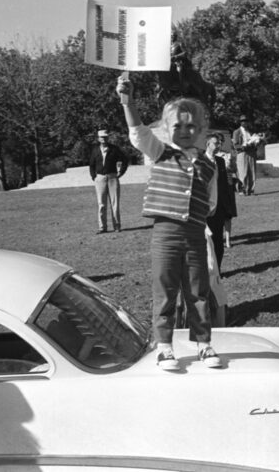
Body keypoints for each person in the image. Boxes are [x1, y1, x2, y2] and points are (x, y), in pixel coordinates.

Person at [116, 74, 221, 371]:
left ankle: (203, 343)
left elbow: (210, 204)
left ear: (201, 129)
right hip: (165, 233)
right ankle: (164, 346)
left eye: (191, 126)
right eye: (177, 126)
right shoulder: (160, 152)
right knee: (165, 289)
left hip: (195, 234)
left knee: (198, 290)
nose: (185, 131)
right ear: (166, 129)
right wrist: (128, 100)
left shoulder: (209, 165)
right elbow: (136, 131)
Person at [204, 133, 236, 270]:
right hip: (204, 209)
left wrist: (227, 205)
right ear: (208, 144)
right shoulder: (200, 161)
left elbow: (224, 184)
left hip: (219, 208)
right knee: (204, 243)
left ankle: (217, 271)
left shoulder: (221, 161)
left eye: (219, 144)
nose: (219, 146)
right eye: (216, 143)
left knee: (218, 242)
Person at [88, 129, 129, 234]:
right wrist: (94, 177)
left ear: (108, 138)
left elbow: (125, 160)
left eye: (105, 137)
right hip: (100, 178)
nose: (104, 139)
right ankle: (102, 228)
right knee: (101, 204)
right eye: (101, 137)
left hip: (112, 178)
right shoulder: (95, 150)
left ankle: (117, 226)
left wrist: (121, 172)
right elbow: (91, 165)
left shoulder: (115, 149)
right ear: (98, 138)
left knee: (115, 204)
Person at [233, 115, 259, 196]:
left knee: (252, 172)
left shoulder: (251, 131)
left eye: (246, 121)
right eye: (243, 121)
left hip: (251, 153)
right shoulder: (237, 132)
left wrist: (256, 142)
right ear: (240, 122)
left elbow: (255, 142)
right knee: (242, 172)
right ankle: (242, 190)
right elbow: (235, 144)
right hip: (242, 153)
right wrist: (243, 146)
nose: (244, 122)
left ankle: (251, 190)